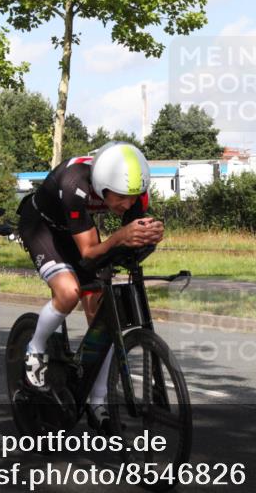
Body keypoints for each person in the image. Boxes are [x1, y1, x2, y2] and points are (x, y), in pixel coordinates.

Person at [17, 142, 164, 434]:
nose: (126, 205)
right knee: (69, 292)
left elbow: (128, 237)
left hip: (78, 228)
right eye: (121, 198)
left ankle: (97, 403)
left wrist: (150, 235)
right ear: (102, 185)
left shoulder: (132, 192)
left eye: (133, 198)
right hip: (43, 228)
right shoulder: (75, 184)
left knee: (104, 316)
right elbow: (87, 253)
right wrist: (121, 235)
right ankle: (35, 349)